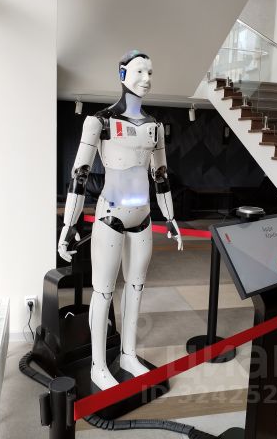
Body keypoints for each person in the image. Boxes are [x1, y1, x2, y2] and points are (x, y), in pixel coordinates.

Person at [58, 50, 183, 390]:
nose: (147, 79)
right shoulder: (99, 122)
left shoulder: (155, 127)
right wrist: (69, 226)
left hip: (143, 216)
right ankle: (99, 366)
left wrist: (170, 218)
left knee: (136, 287)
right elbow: (79, 175)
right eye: (140, 71)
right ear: (123, 73)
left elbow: (160, 176)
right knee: (103, 291)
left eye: (150, 72)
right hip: (110, 215)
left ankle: (128, 354)